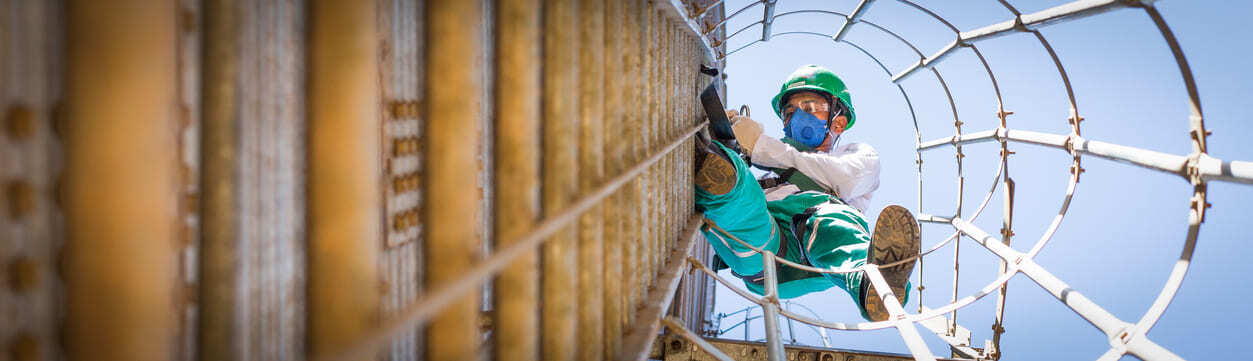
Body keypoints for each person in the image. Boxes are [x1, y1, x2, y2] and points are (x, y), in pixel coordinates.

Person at [694, 64, 920, 321]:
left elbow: (841, 175)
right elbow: (777, 161)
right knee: (738, 192)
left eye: (810, 107)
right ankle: (705, 162)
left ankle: (872, 282)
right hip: (764, 251)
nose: (797, 117)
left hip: (823, 256)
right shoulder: (772, 171)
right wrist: (728, 145)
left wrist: (760, 145)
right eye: (789, 112)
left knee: (829, 221)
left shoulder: (858, 155)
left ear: (839, 121)